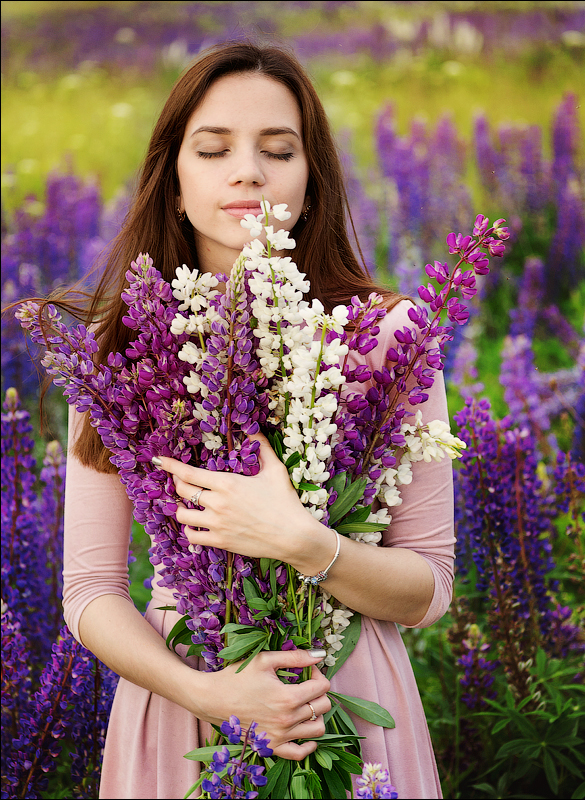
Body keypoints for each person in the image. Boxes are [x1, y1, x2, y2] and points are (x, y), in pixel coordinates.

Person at [58, 41, 454, 799]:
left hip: (344, 695)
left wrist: (304, 543)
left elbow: (430, 588)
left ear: (311, 182)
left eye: (279, 149)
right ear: (173, 182)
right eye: (213, 149)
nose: (248, 171)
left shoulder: (386, 335)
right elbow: (89, 591)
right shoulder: (121, 353)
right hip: (185, 701)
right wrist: (214, 694)